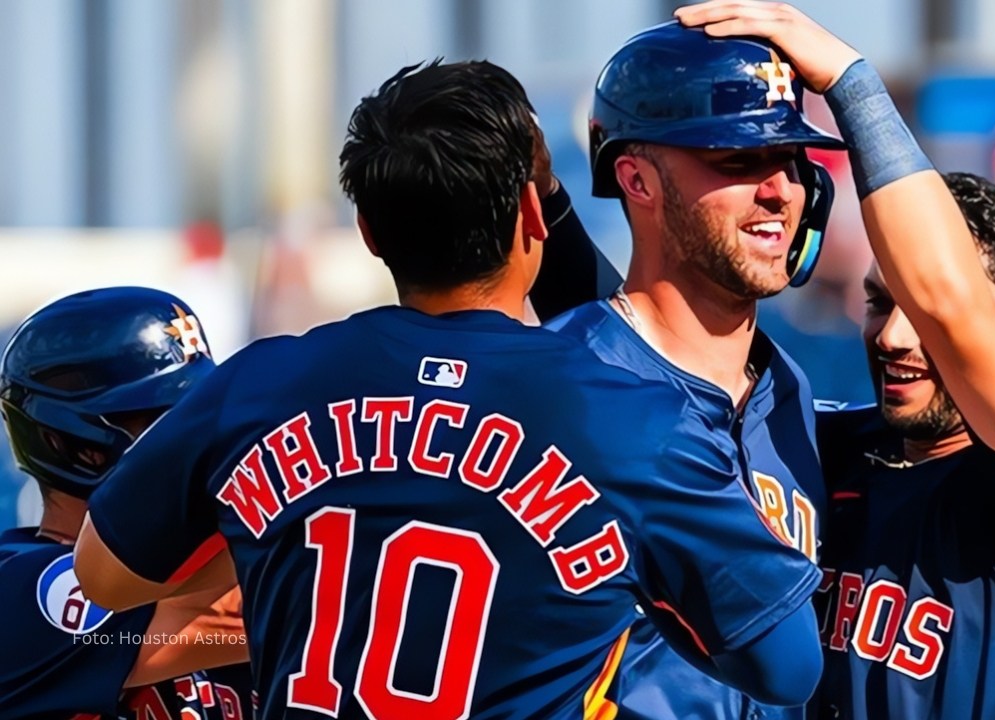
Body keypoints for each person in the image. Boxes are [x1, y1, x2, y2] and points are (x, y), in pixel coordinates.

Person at [72, 59, 823, 719]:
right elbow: (786, 667)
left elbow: (100, 578)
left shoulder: (257, 383)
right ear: (534, 214)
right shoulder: (632, 422)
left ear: (368, 231)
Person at [674, 3, 995, 718]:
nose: (894, 336)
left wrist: (852, 87)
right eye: (876, 303)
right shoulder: (828, 451)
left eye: (921, 314)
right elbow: (644, 363)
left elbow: (949, 304)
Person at [536, 19, 842, 720]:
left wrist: (854, 87)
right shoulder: (559, 383)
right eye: (737, 160)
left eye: (792, 159)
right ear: (636, 179)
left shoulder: (786, 386)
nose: (782, 191)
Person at [0, 287, 251, 719]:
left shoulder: (214, 559)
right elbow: (242, 613)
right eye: (173, 418)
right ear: (76, 446)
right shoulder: (18, 589)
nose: (208, 436)